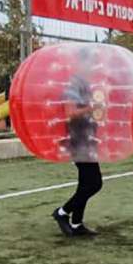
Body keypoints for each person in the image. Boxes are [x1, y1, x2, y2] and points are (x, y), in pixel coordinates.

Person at [51, 71, 103, 237]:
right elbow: (70, 113)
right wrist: (91, 107)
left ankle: (76, 223)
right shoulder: (72, 87)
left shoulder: (85, 88)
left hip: (88, 141)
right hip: (79, 142)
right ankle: (62, 212)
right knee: (95, 183)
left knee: (85, 184)